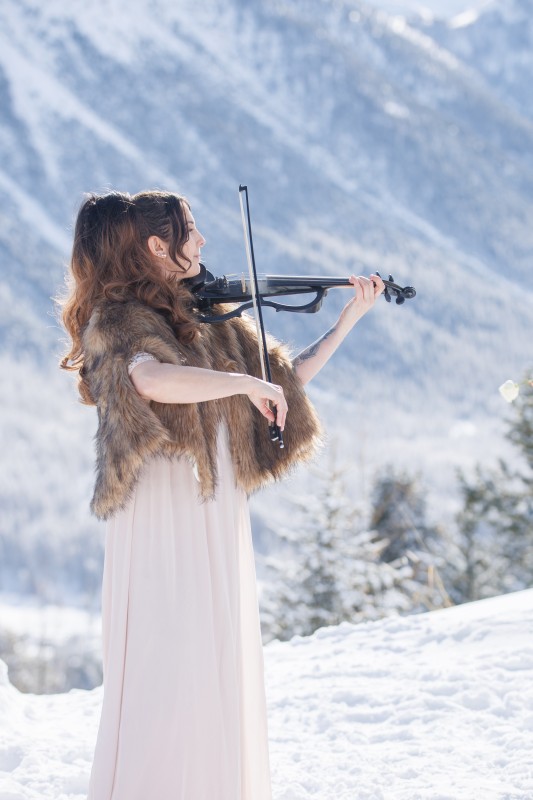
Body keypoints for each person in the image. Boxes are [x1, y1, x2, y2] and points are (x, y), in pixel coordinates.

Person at [60, 189, 384, 800]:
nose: (203, 243)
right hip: (161, 510)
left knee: (213, 666)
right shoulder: (118, 319)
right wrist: (236, 381)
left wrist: (347, 321)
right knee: (169, 667)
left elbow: (280, 386)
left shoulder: (208, 319)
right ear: (159, 247)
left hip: (214, 507)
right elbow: (149, 378)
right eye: (191, 232)